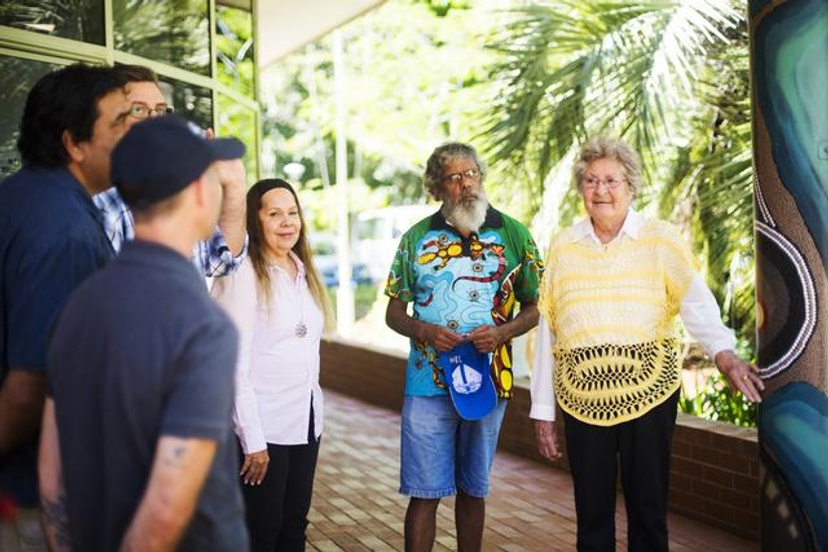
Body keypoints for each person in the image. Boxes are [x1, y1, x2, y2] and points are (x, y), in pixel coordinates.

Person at [530, 136, 765, 551]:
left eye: (611, 180)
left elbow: (697, 304)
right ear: (580, 187)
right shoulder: (564, 246)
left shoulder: (660, 239)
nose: (601, 190)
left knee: (649, 511)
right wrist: (543, 410)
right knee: (592, 515)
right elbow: (550, 331)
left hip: (649, 391)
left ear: (631, 185)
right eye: (590, 180)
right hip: (581, 396)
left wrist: (725, 355)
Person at [39, 115, 249, 551]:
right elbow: (167, 505)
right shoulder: (201, 326)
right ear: (197, 190)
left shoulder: (77, 306)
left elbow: (51, 476)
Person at [384, 142, 542, 551]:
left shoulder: (513, 234)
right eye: (454, 177)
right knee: (424, 493)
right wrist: (426, 332)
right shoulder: (416, 239)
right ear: (436, 188)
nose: (466, 184)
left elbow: (534, 309)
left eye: (471, 174)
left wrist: (503, 333)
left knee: (475, 488)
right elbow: (394, 313)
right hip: (427, 385)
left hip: (489, 382)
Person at [0, 63, 129, 538]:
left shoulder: (26, 197)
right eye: (121, 121)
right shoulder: (64, 231)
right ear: (74, 143)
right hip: (28, 502)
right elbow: (31, 384)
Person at [212, 178, 333, 551]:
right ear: (255, 219)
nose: (287, 222)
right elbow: (233, 363)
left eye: (293, 213)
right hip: (262, 430)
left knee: (294, 529)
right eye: (274, 213)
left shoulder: (303, 271)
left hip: (306, 422)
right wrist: (253, 441)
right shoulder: (244, 273)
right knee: (261, 533)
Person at [93, 64, 247, 276]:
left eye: (160, 110)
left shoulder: (176, 185)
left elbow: (221, 262)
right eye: (139, 110)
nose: (154, 119)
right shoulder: (103, 207)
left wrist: (234, 184)